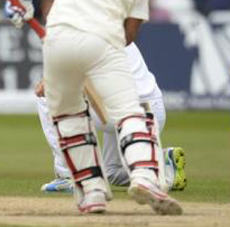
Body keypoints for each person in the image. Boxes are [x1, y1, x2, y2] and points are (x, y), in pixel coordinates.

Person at [4, 0, 181, 214]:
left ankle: (91, 191)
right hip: (105, 43)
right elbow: (129, 34)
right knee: (129, 113)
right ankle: (148, 176)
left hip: (59, 36)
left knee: (68, 116)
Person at [36, 42, 187, 195]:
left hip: (123, 112)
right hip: (152, 111)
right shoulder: (113, 27)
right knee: (112, 172)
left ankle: (68, 175)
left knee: (48, 97)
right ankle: (165, 166)